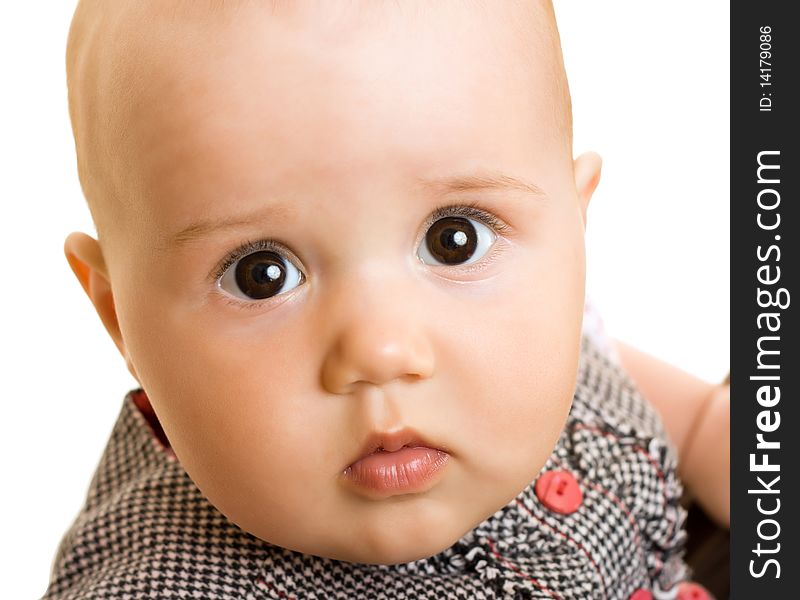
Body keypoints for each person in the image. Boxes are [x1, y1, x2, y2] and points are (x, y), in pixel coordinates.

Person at [45, 1, 727, 597]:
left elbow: (642, 384)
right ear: (118, 320)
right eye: (262, 274)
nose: (381, 347)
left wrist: (708, 430)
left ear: (573, 233)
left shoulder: (533, 336)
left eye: (453, 240)